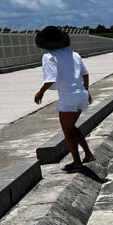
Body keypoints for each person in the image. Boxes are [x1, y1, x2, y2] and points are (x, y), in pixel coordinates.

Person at [34, 26, 95, 171]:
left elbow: (50, 78)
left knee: (67, 131)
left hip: (68, 96)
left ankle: (77, 161)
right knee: (71, 128)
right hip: (80, 93)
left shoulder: (49, 56)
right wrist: (86, 91)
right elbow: (85, 74)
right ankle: (87, 154)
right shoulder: (73, 54)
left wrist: (40, 92)